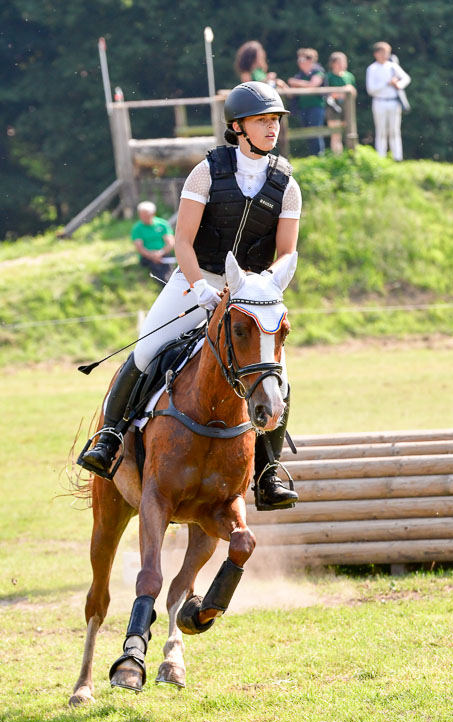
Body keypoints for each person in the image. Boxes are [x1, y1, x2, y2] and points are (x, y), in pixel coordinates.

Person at [78, 82, 303, 511]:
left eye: (275, 120)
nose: (272, 127)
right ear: (238, 127)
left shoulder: (287, 183)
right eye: (262, 120)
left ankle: (268, 472)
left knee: (279, 377)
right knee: (146, 351)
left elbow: (288, 250)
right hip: (195, 277)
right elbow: (182, 240)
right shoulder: (206, 173)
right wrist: (200, 285)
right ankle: (108, 438)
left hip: (251, 291)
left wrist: (265, 284)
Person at [366, 41, 411, 162]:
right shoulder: (372, 68)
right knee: (381, 130)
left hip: (393, 102)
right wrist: (387, 83)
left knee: (394, 130)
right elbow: (371, 89)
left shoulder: (392, 66)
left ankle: (397, 157)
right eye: (382, 52)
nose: (385, 55)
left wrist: (398, 84)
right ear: (376, 54)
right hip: (379, 101)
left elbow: (406, 78)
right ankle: (381, 157)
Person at [288, 48, 326, 156]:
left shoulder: (318, 72)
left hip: (316, 107)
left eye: (302, 60)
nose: (300, 63)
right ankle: (313, 156)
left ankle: (319, 156)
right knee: (307, 133)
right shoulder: (300, 75)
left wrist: (296, 83)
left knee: (315, 132)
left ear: (309, 60)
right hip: (303, 107)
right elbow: (291, 94)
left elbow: (313, 84)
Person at [131, 201, 176, 283]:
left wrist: (160, 253)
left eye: (146, 215)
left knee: (170, 270)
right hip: (147, 257)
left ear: (152, 214)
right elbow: (139, 247)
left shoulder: (162, 224)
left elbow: (170, 243)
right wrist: (152, 255)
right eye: (142, 215)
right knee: (159, 271)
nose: (143, 217)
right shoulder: (137, 228)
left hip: (163, 255)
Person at [325, 52, 356, 154]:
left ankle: (348, 157)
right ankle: (337, 157)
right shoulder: (328, 77)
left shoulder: (349, 76)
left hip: (347, 108)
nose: (342, 64)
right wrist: (342, 91)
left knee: (348, 133)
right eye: (339, 62)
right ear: (333, 64)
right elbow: (327, 94)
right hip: (333, 108)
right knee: (335, 135)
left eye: (343, 62)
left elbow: (354, 93)